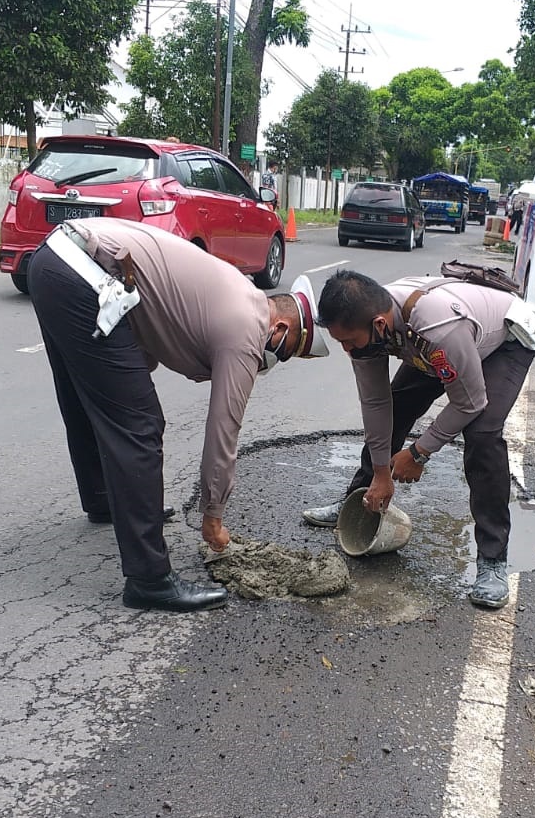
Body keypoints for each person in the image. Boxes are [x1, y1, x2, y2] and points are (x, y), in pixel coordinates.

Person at [28, 218, 329, 613]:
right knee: (140, 425)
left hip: (54, 261)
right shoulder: (247, 328)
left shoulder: (237, 291)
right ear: (282, 327)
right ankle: (149, 580)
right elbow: (224, 431)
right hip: (84, 274)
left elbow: (152, 328)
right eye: (288, 351)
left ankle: (105, 500)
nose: (278, 360)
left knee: (89, 398)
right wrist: (213, 516)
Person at [302, 270, 535, 609]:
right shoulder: (369, 323)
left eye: (350, 342)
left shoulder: (437, 329)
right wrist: (383, 474)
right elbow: (376, 403)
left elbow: (470, 401)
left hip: (505, 342)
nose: (347, 350)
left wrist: (419, 452)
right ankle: (358, 500)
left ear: (380, 325)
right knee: (398, 405)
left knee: (483, 434)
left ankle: (492, 561)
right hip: (438, 345)